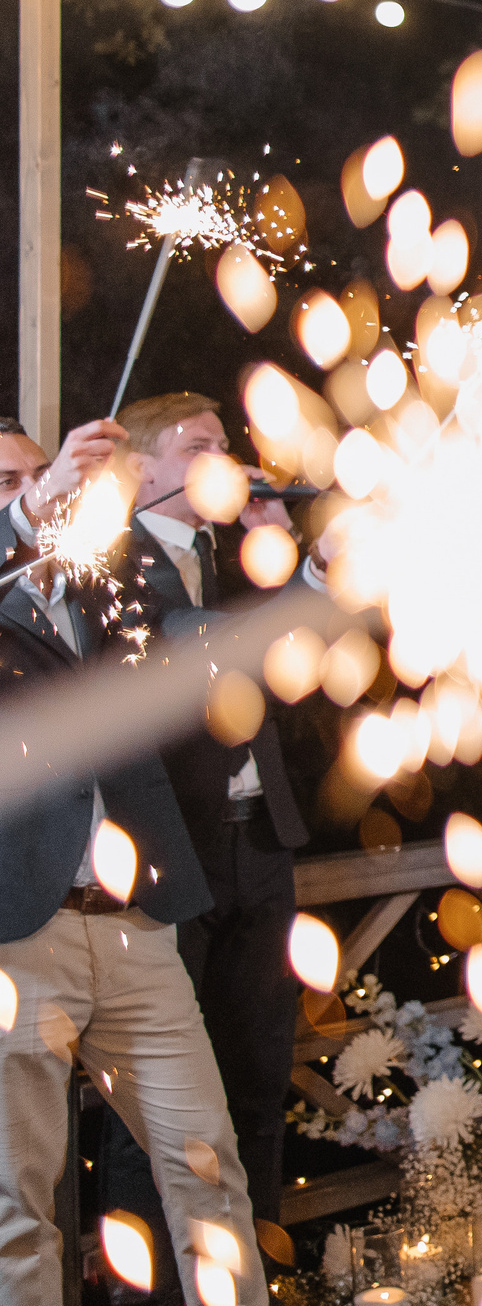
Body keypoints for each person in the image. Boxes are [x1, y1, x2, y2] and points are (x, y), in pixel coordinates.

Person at [0, 416, 264, 1306]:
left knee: (208, 1170)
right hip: (13, 937)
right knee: (17, 1209)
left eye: (39, 476)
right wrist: (24, 515)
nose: (38, 491)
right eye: (8, 481)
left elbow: (185, 628)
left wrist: (311, 580)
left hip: (136, 931)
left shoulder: (99, 581)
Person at [94, 393, 310, 1294]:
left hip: (260, 840)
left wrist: (284, 560)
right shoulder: (106, 561)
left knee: (259, 1065)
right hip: (167, 853)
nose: (227, 456)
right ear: (142, 469)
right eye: (199, 445)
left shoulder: (233, 554)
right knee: (157, 1100)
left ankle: (248, 1270)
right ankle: (146, 1287)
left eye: (226, 442)